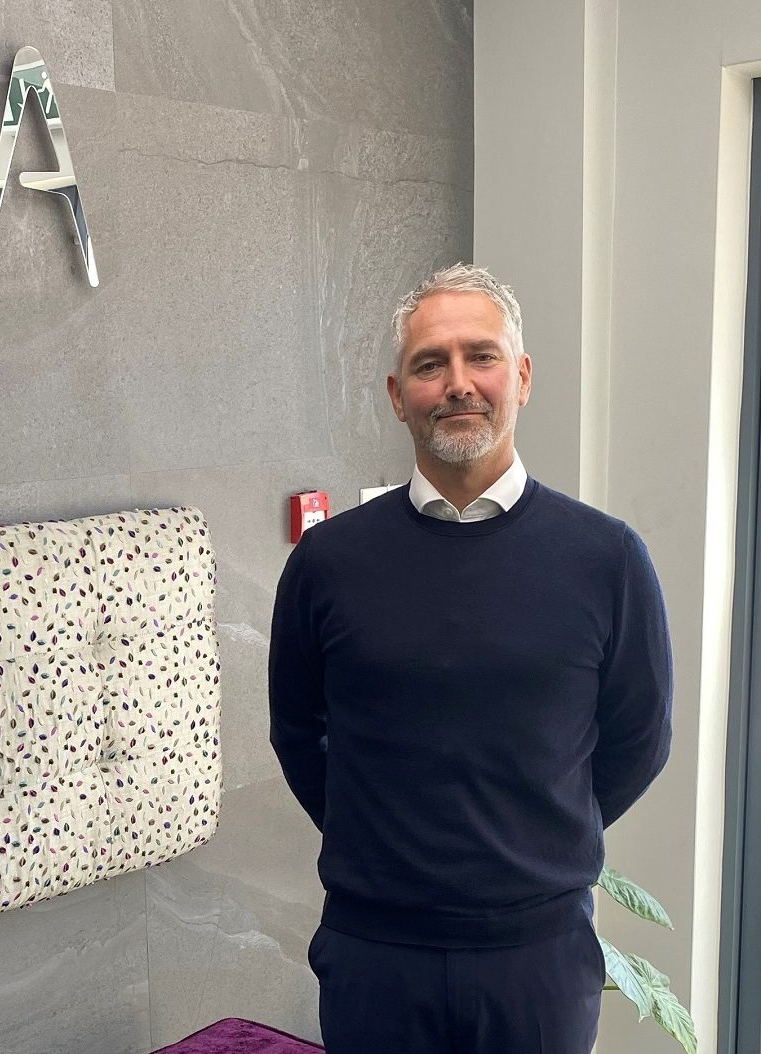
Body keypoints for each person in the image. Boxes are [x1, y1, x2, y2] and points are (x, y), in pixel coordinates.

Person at [267, 263, 673, 1054]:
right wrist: (379, 836)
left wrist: (536, 836)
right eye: (431, 364)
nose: (457, 383)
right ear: (398, 395)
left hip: (538, 958)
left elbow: (640, 740)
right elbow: (297, 733)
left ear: (520, 376)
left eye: (480, 356)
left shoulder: (607, 559)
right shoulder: (328, 563)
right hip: (375, 954)